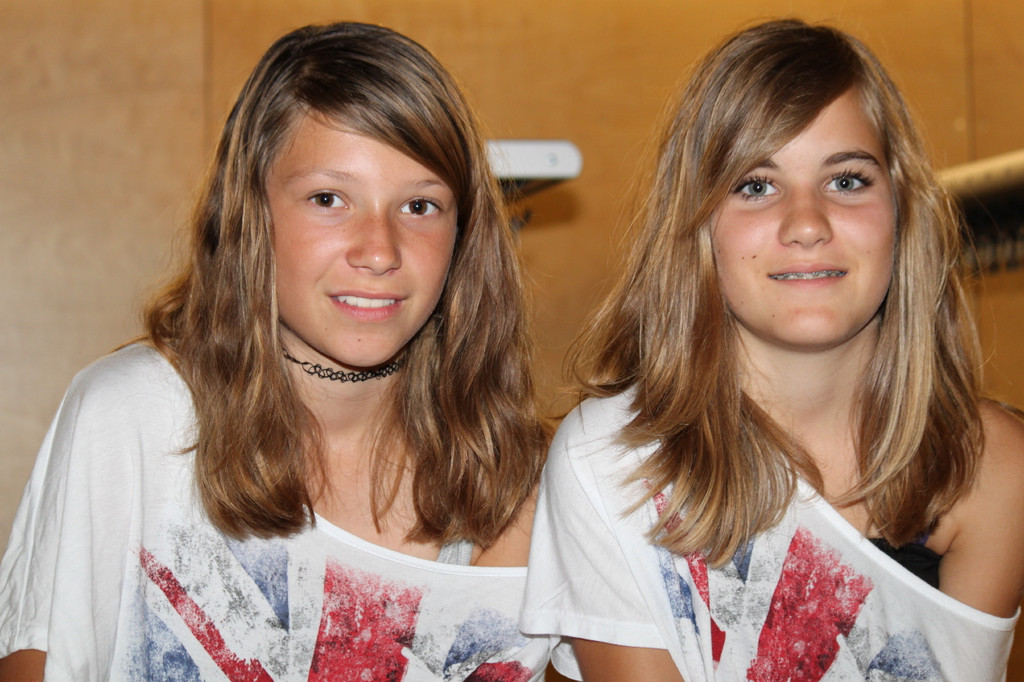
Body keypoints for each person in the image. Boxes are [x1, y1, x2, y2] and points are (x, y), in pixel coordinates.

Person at [0, 22, 549, 680]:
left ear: (463, 232)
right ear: (249, 214)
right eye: (328, 199)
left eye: (420, 206)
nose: (379, 251)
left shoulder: (522, 483)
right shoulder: (130, 417)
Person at [520, 19, 1024, 681]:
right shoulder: (611, 461)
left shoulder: (993, 466)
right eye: (756, 185)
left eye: (847, 180)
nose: (807, 224)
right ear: (698, 226)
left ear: (903, 211)